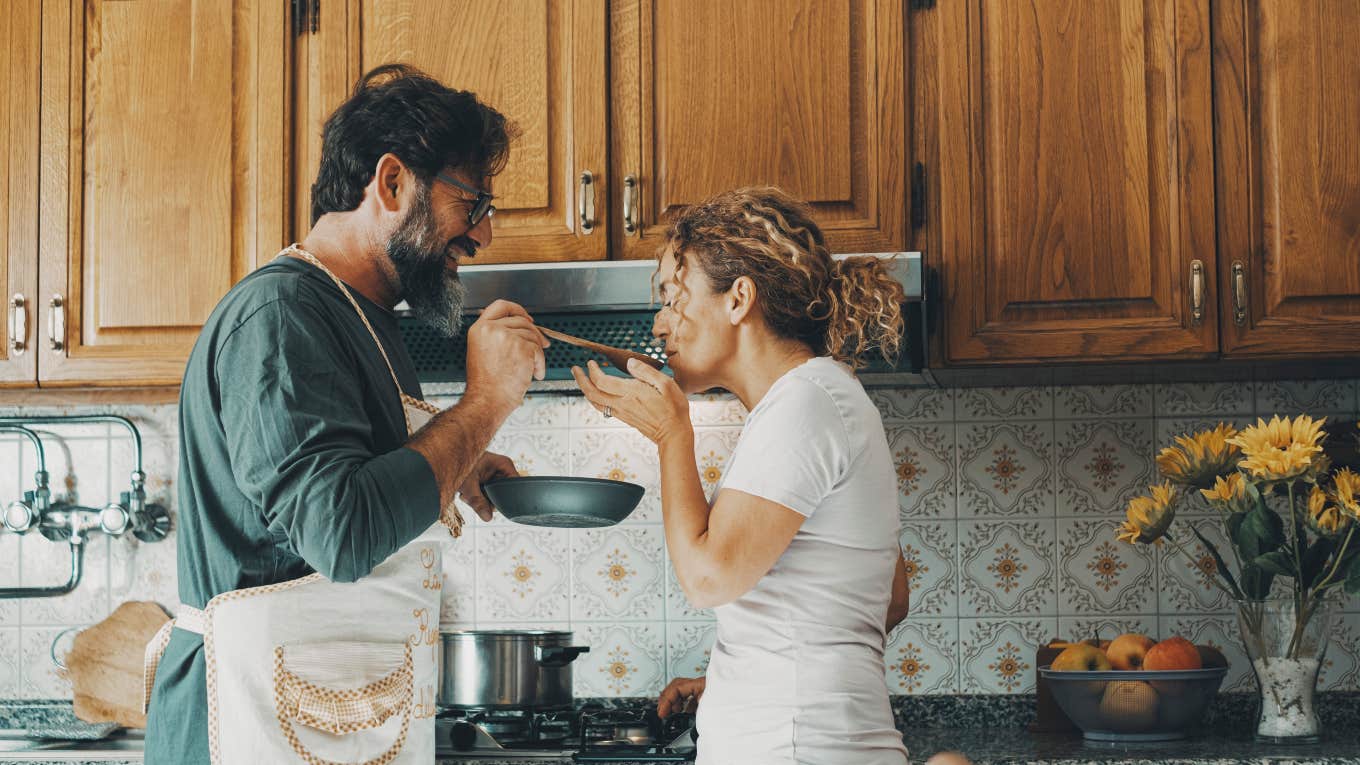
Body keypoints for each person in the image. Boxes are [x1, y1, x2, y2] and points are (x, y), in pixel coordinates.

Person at [144, 64, 549, 763]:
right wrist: (485, 404)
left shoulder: (362, 317)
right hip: (247, 723)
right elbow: (340, 530)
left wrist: (452, 462)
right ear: (392, 183)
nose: (483, 233)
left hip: (321, 717)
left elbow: (341, 486)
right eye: (473, 201)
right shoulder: (282, 314)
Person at [574, 186, 912, 764]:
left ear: (739, 300)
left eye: (673, 298)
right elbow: (890, 595)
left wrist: (671, 436)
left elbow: (708, 580)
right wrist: (745, 680)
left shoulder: (804, 402)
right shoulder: (814, 398)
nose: (660, 325)